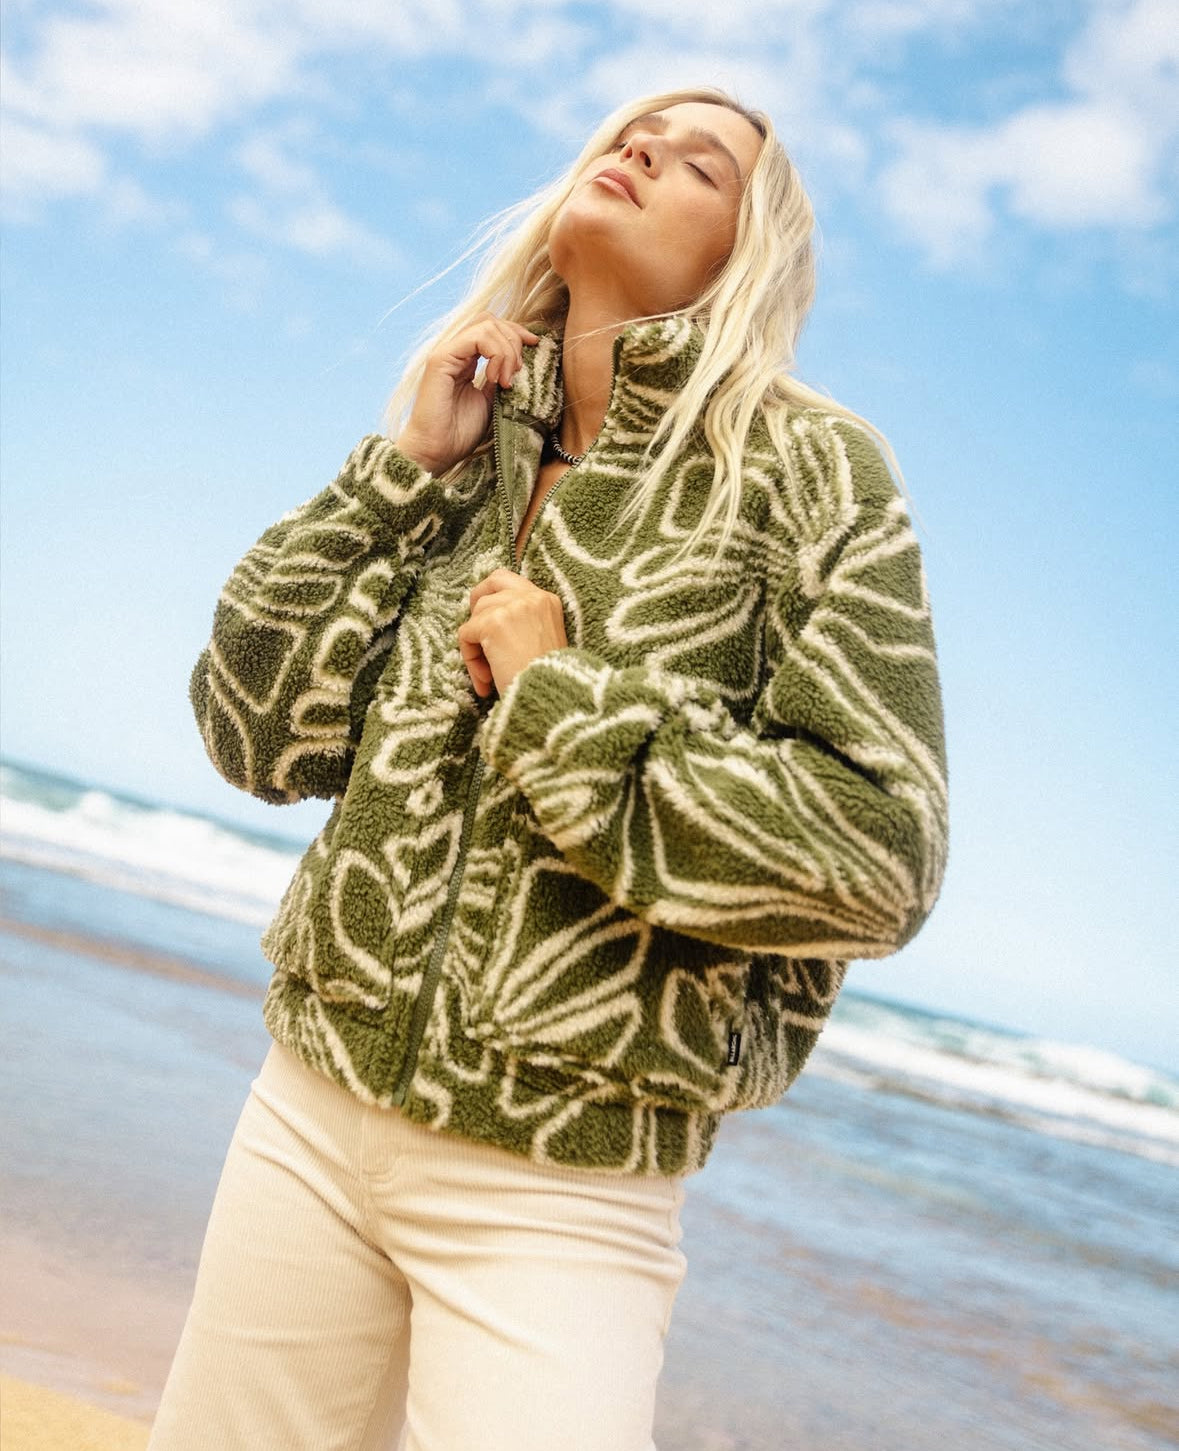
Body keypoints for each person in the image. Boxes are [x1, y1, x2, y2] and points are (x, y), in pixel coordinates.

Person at [150, 85, 948, 1451]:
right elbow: (254, 729)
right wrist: (401, 472)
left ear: (746, 255)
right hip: (308, 1107)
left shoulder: (812, 472)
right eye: (632, 137)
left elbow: (877, 855)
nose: (643, 152)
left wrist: (558, 704)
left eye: (700, 165)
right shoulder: (470, 435)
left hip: (561, 1180)